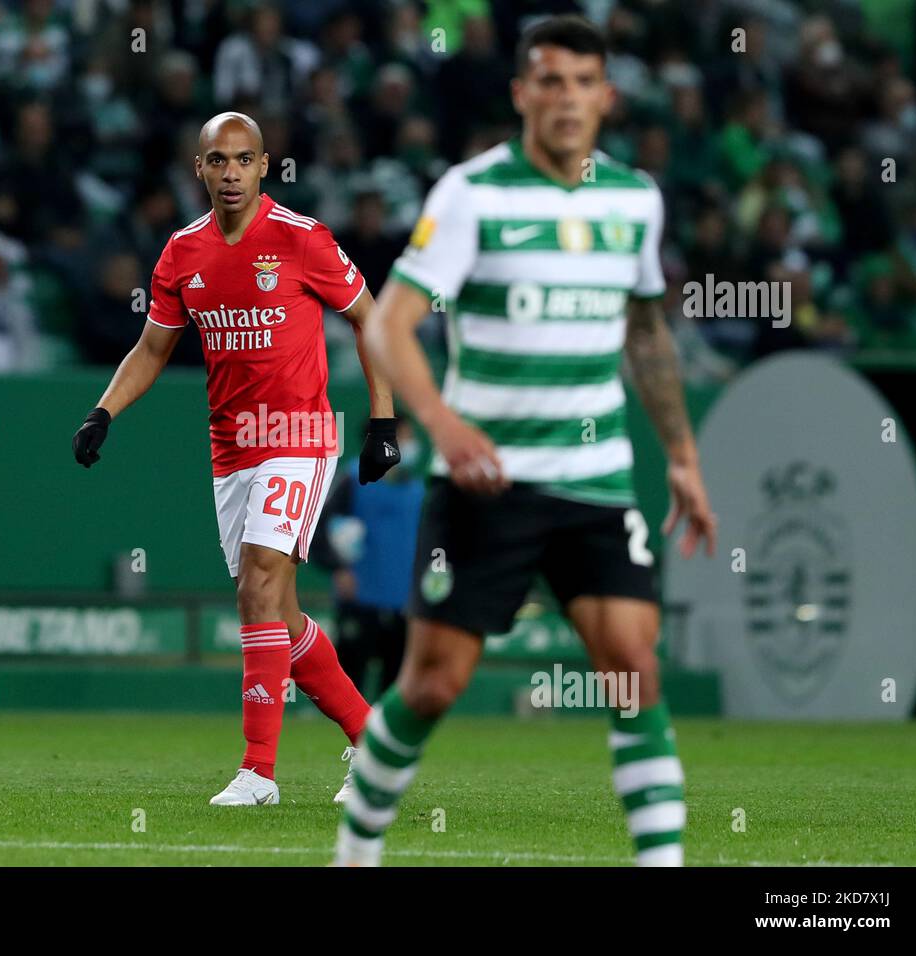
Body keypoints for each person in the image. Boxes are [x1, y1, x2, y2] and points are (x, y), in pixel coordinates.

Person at [334, 15, 718, 867]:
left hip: (596, 482)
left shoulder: (634, 199)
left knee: (632, 669)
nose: (567, 98)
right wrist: (439, 420)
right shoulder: (471, 195)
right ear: (521, 94)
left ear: (607, 97)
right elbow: (391, 326)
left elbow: (646, 334)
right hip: (488, 483)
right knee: (433, 684)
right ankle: (356, 849)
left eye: (584, 82)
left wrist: (683, 459)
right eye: (549, 80)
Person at [73, 111, 399, 806]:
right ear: (200, 169)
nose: (230, 173)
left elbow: (370, 316)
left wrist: (382, 418)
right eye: (217, 161)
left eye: (243, 160)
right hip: (231, 450)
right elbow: (152, 348)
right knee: (276, 614)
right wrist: (105, 411)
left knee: (256, 583)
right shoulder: (182, 253)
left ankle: (259, 772)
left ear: (263, 166)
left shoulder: (302, 238)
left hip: (299, 435)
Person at [312, 414, 424, 699]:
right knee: (349, 681)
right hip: (360, 598)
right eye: (406, 438)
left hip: (404, 603)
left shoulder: (418, 491)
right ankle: (346, 736)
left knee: (397, 685)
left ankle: (383, 741)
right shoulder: (351, 480)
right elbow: (316, 529)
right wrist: (338, 568)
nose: (412, 445)